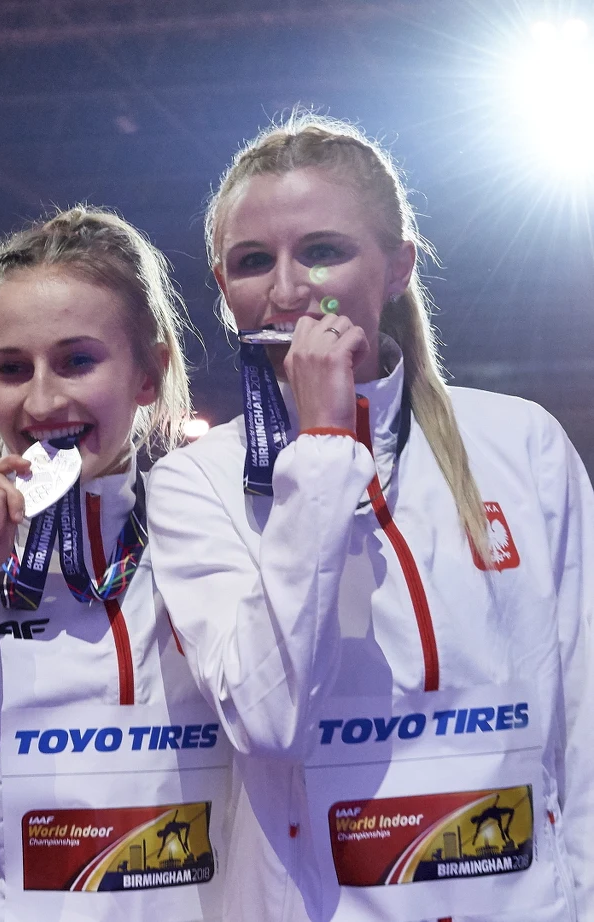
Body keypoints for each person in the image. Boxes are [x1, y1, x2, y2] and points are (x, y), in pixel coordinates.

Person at [147, 113, 593, 922]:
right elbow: (272, 721)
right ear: (222, 290)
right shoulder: (194, 484)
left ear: (397, 267)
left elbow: (585, 719)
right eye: (254, 262)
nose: (286, 289)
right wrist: (321, 447)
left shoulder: (522, 441)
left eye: (322, 250)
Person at [0, 206, 234, 921]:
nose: (41, 399)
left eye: (77, 360)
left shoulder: (212, 544)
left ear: (150, 374)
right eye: (10, 369)